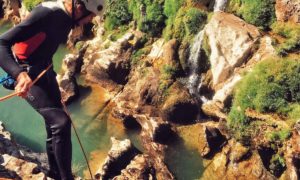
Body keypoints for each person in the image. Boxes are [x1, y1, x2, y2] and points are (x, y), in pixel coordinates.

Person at [0, 0, 104, 179]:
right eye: (91, 16)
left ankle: (55, 172)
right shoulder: (47, 13)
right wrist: (19, 75)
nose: (90, 21)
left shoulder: (67, 19)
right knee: (61, 123)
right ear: (80, 8)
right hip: (28, 73)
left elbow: (44, 47)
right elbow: (2, 43)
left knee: (54, 124)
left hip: (45, 70)